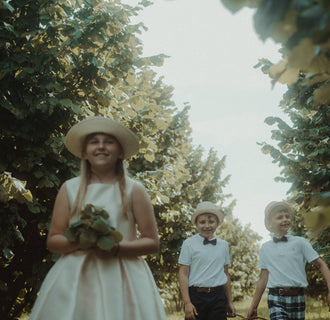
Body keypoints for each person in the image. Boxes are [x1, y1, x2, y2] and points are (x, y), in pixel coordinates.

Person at [29, 116, 167, 320]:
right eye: (94, 142)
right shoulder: (70, 188)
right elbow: (54, 240)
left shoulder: (134, 190)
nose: (101, 147)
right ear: (84, 152)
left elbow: (151, 241)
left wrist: (117, 248)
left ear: (120, 152)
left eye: (108, 141)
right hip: (76, 276)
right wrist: (82, 241)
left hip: (123, 276)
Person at [246, 201, 330, 320]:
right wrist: (253, 306)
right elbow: (263, 278)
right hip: (275, 298)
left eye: (287, 216)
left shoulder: (300, 242)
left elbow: (320, 265)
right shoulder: (265, 248)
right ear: (269, 224)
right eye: (279, 217)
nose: (285, 219)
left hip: (298, 297)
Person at [178, 201, 236, 320]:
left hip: (218, 296)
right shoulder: (188, 244)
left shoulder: (223, 245)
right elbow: (183, 273)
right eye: (202, 222)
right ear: (196, 224)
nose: (207, 225)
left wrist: (229, 301)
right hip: (196, 296)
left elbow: (225, 273)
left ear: (217, 223)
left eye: (211, 221)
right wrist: (187, 303)